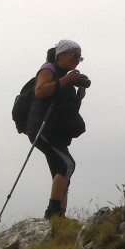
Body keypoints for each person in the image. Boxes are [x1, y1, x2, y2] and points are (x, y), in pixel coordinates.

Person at [28, 39, 88, 218]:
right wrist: (65, 81)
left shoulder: (64, 76)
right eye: (74, 55)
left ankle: (59, 215)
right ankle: (53, 212)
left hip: (53, 129)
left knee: (60, 170)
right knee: (66, 164)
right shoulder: (49, 69)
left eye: (80, 57)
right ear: (60, 54)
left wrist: (78, 98)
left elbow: (66, 110)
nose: (77, 60)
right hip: (42, 127)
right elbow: (40, 91)